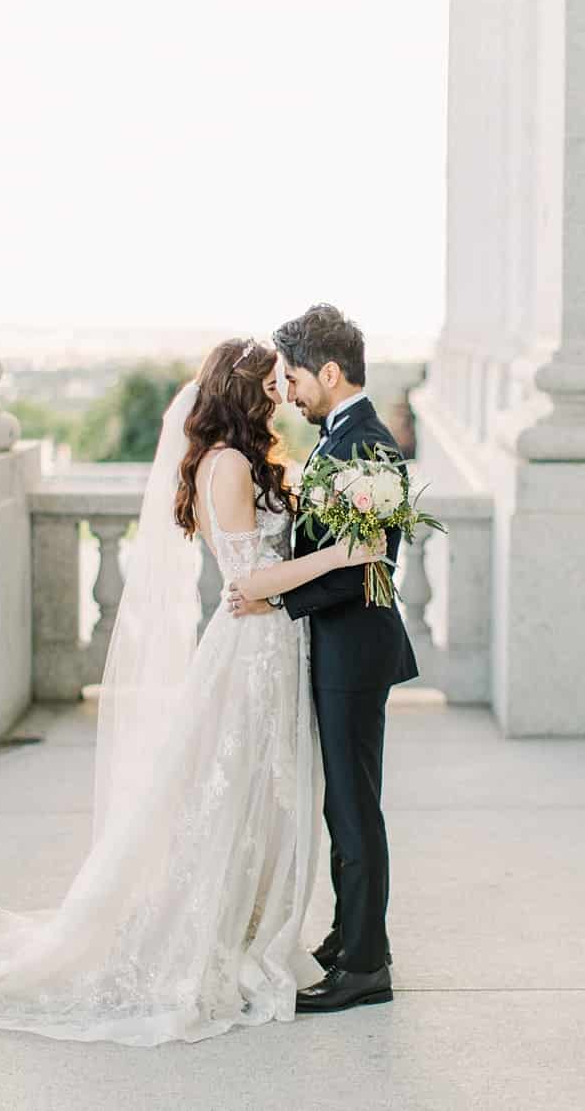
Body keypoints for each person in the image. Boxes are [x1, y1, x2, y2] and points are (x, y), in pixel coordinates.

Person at [0, 338, 383, 1045]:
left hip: (276, 645)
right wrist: (347, 551)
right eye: (271, 383)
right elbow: (249, 581)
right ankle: (205, 937)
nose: (282, 392)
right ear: (244, 393)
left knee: (259, 792)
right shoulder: (223, 465)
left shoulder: (244, 462)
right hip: (254, 647)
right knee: (230, 791)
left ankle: (246, 922)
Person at [227, 302, 416, 1014]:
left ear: (330, 373)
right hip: (343, 648)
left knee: (353, 806)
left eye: (296, 377)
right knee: (346, 802)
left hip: (355, 653)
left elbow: (364, 568)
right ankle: (355, 933)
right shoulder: (344, 438)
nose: (290, 391)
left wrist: (274, 598)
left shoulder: (365, 446)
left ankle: (366, 967)